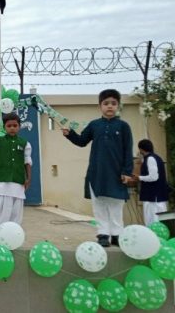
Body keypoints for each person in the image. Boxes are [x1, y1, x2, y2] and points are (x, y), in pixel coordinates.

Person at [62, 89, 134, 247]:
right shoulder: (94, 125)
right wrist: (70, 134)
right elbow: (82, 141)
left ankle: (117, 235)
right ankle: (103, 234)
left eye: (113, 103)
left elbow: (128, 150)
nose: (110, 106)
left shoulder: (123, 127)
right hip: (97, 173)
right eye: (106, 103)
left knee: (116, 205)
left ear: (118, 106)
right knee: (99, 204)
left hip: (116, 174)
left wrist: (127, 172)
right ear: (100, 106)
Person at [123, 139, 169, 225]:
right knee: (156, 221)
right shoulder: (156, 158)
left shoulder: (150, 159)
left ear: (141, 149)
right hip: (155, 196)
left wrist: (139, 178)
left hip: (153, 197)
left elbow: (154, 177)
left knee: (152, 221)